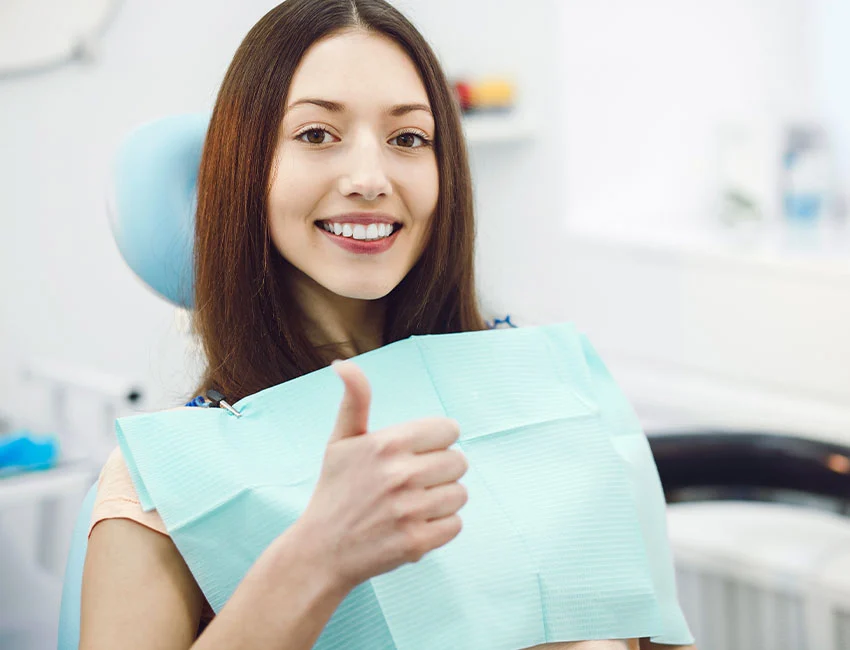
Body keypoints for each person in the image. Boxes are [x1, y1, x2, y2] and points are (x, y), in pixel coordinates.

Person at [80, 1, 696, 649]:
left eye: (408, 139)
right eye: (317, 135)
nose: (371, 179)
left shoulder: (549, 386)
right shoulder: (161, 479)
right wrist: (316, 559)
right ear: (246, 169)